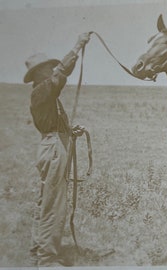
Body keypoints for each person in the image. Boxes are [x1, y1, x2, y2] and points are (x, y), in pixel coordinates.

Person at [24, 32, 91, 266]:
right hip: (53, 148)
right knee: (54, 204)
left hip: (52, 144)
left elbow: (52, 123)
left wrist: (71, 131)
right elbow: (61, 72)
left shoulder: (44, 93)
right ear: (39, 72)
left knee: (45, 201)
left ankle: (37, 250)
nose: (53, 70)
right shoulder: (43, 89)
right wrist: (78, 45)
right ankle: (47, 257)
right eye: (48, 68)